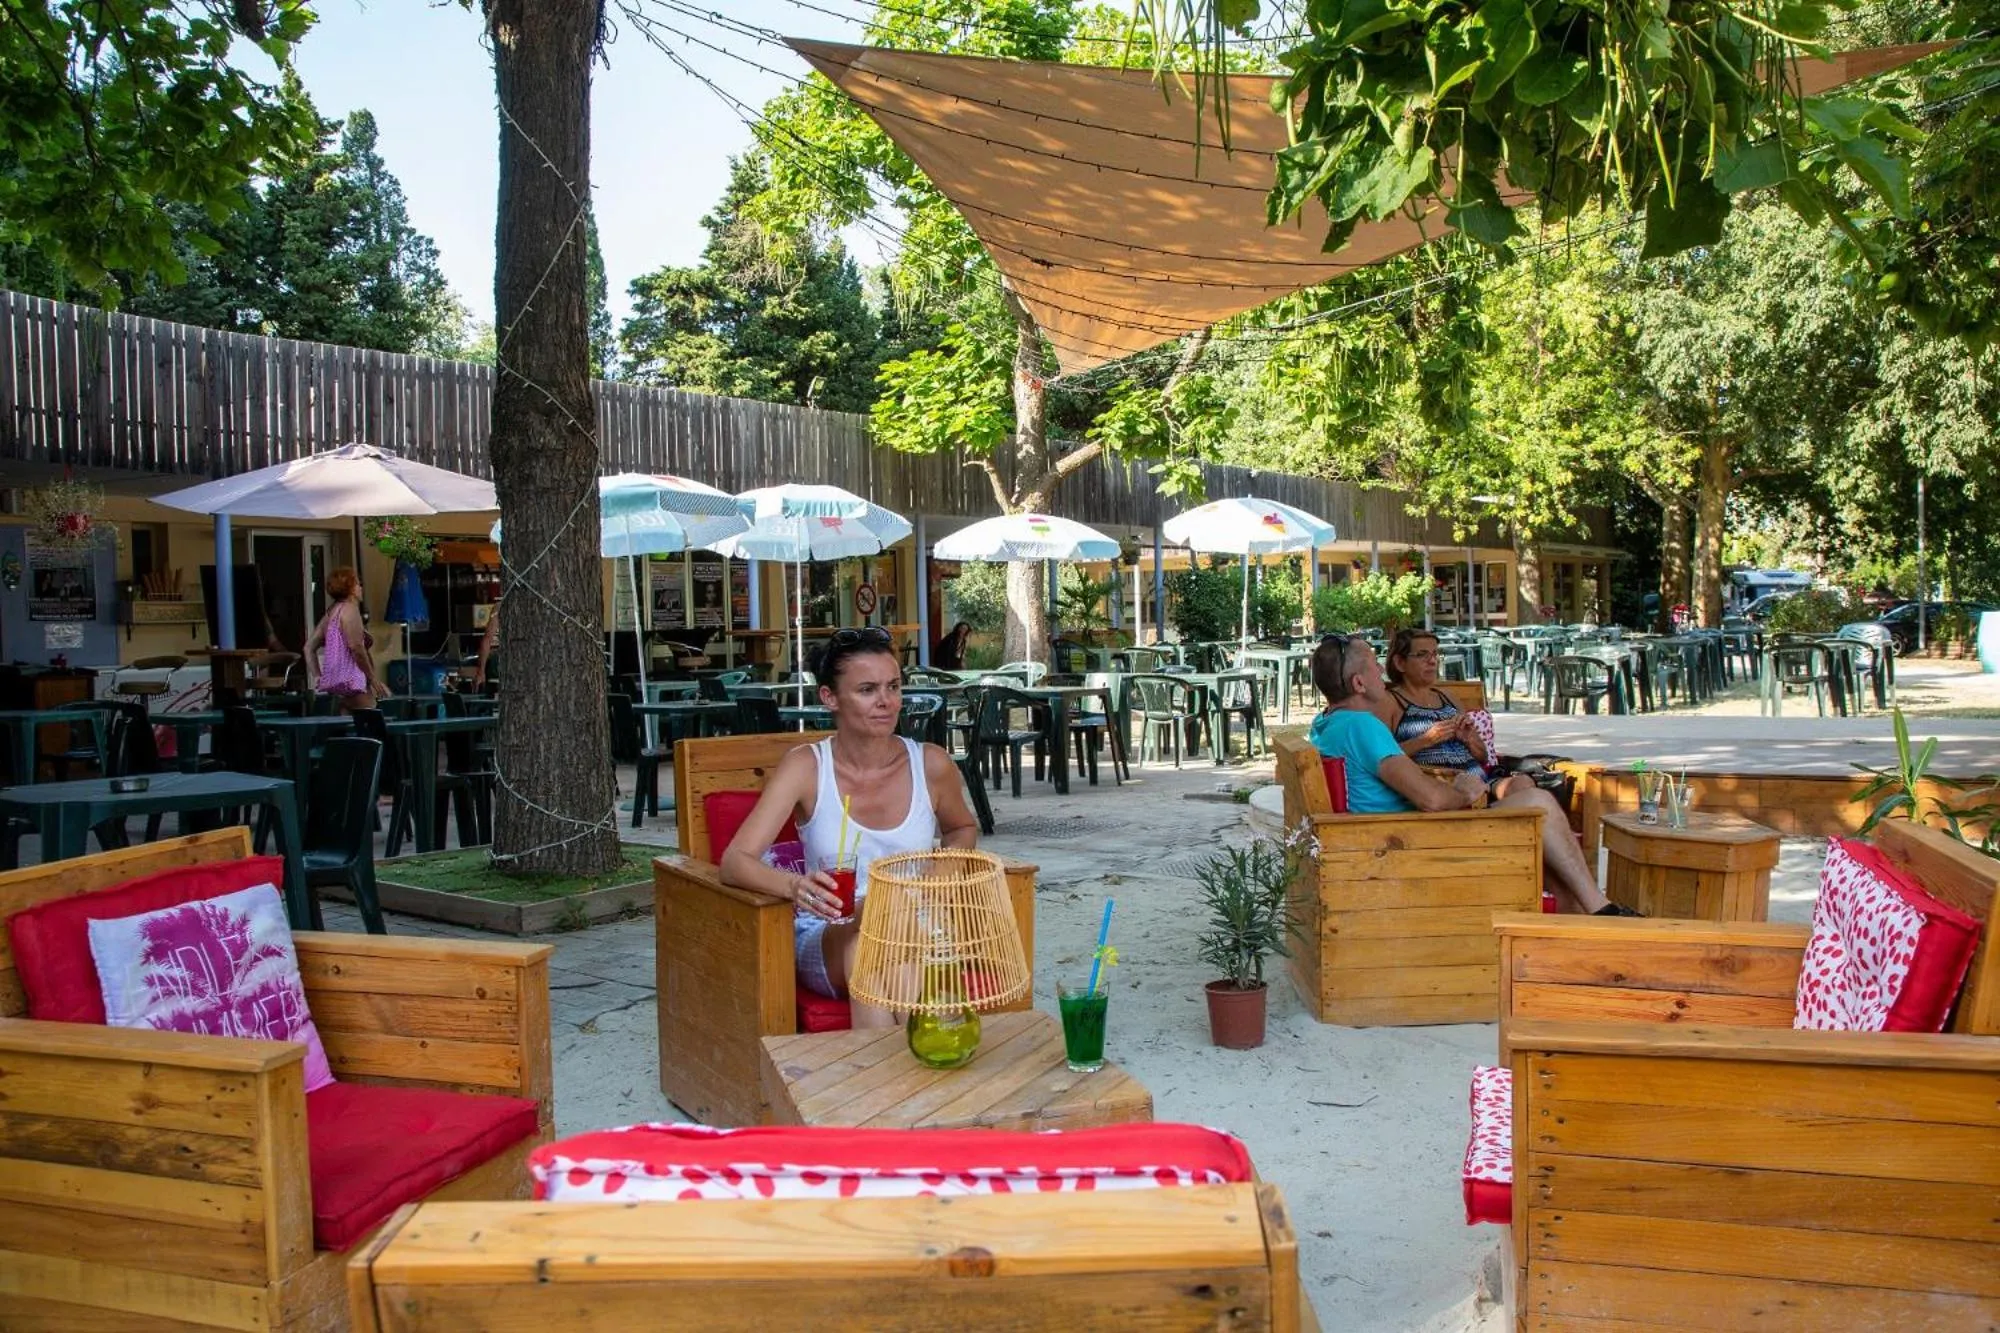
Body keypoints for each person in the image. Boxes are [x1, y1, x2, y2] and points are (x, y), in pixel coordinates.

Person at [719, 626, 982, 1025]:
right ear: (830, 697)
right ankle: (936, 1054)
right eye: (867, 690)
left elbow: (961, 828)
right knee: (878, 926)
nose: (886, 702)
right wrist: (793, 886)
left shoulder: (929, 763)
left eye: (893, 687)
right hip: (831, 929)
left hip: (916, 925)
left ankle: (882, 1080)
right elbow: (735, 861)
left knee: (872, 949)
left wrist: (939, 876)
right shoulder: (807, 766)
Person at [1308, 634, 1629, 915]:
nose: (1381, 672)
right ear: (1359, 684)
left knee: (1535, 820)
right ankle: (1599, 907)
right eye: (1374, 666)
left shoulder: (1325, 725)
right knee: (1538, 802)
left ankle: (1592, 911)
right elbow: (1431, 799)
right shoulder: (1364, 726)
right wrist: (1463, 790)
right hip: (1411, 842)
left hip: (1384, 836)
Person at [1377, 629, 1489, 771]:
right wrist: (1425, 740)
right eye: (1422, 655)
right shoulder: (1390, 702)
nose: (1432, 661)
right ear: (1400, 663)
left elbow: (1483, 757)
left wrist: (1469, 739)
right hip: (1438, 786)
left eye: (1435, 654)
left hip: (1480, 782)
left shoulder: (1448, 697)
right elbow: (1381, 759)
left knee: (1520, 782)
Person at [305, 567, 389, 712]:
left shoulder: (331, 614)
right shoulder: (350, 610)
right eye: (357, 584)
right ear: (350, 588)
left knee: (345, 730)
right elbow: (356, 648)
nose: (361, 588)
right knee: (371, 727)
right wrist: (373, 679)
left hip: (337, 686)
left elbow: (308, 648)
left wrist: (318, 676)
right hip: (355, 684)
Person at [472, 606, 500, 688]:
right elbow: (487, 639)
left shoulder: (499, 607)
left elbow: (487, 639)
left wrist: (481, 671)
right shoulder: (499, 608)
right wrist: (481, 671)